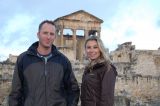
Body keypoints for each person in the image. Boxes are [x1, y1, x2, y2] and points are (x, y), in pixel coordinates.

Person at [8, 20, 80, 106]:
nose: (48, 37)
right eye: (45, 33)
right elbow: (15, 93)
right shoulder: (23, 59)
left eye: (52, 34)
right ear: (38, 34)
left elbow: (73, 90)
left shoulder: (63, 61)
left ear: (55, 36)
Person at [80, 35, 117, 106]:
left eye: (95, 47)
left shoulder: (107, 68)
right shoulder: (89, 68)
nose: (91, 50)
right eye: (88, 47)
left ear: (100, 49)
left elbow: (107, 99)